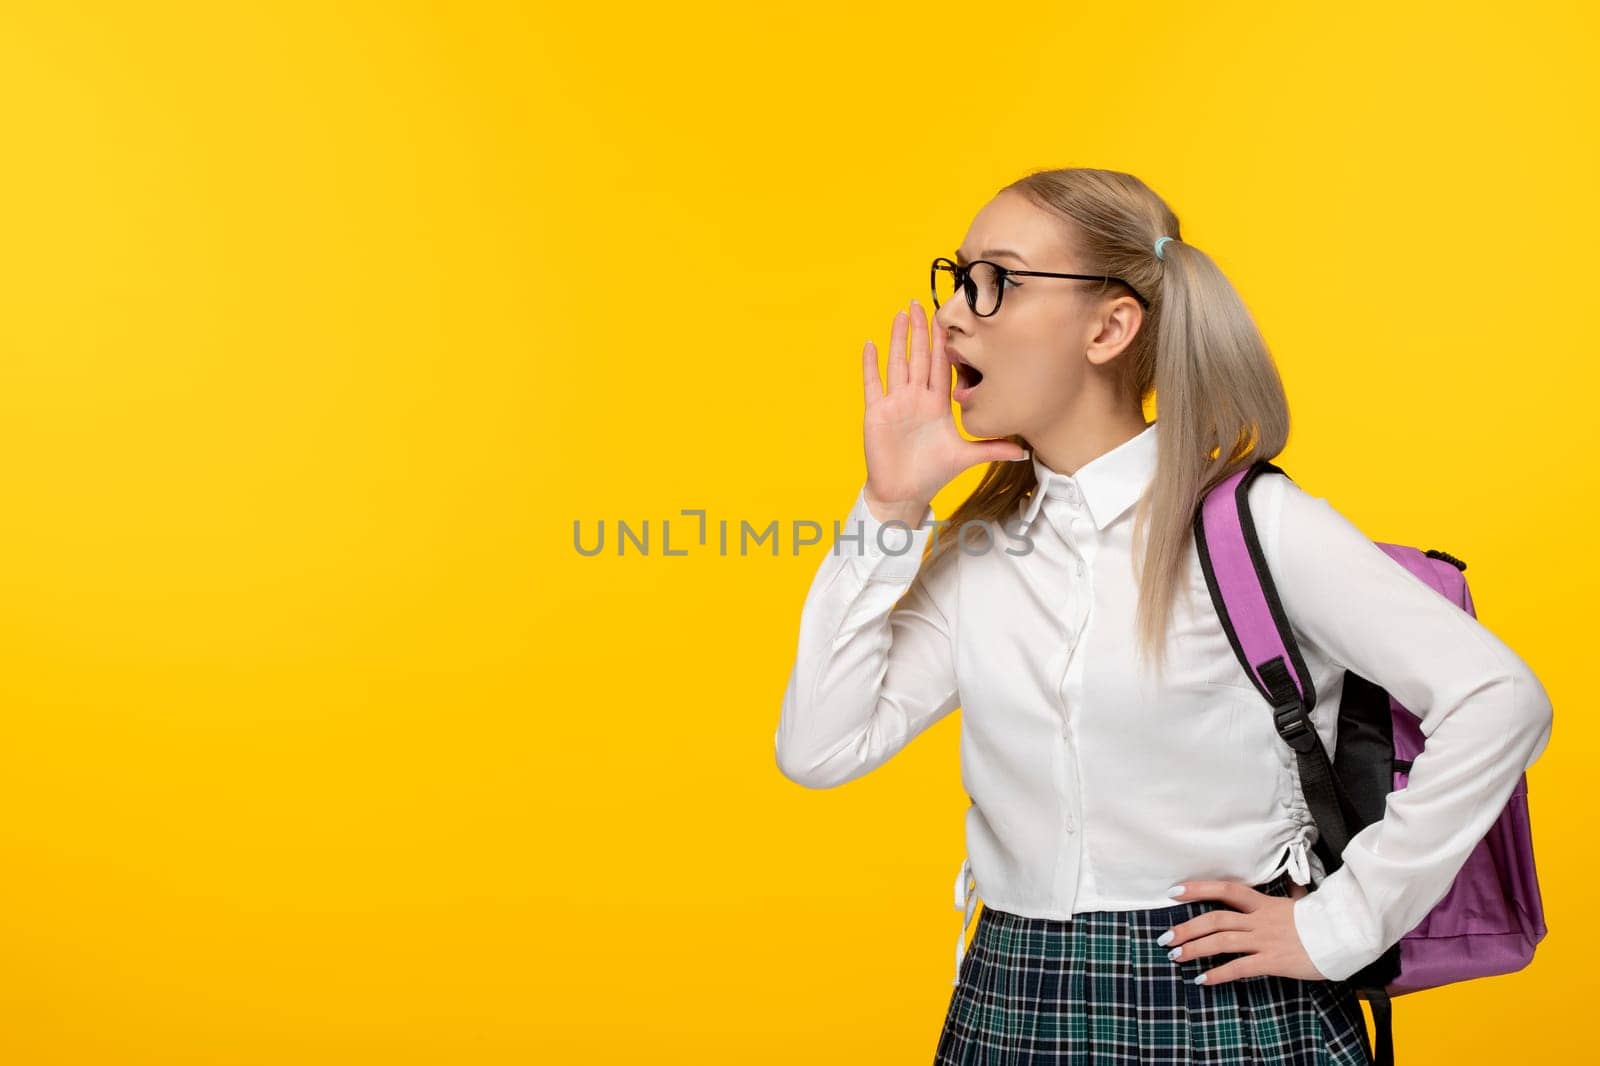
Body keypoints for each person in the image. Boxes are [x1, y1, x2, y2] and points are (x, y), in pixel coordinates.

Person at [772, 167, 1554, 1064]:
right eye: (956, 278)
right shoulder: (981, 548)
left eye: (995, 281)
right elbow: (820, 748)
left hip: (1223, 1006)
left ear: (1109, 327)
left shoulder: (1253, 524)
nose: (952, 315)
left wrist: (1342, 925)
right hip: (1008, 996)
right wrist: (889, 506)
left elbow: (1501, 697)